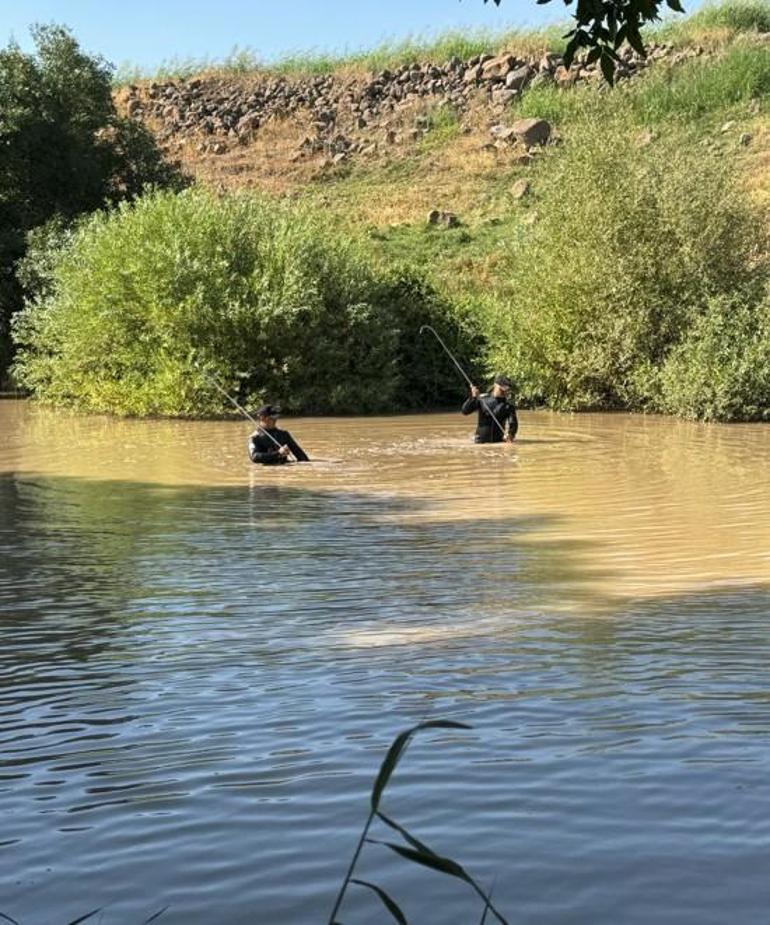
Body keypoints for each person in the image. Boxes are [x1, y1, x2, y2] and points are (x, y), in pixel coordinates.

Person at [461, 374, 518, 443]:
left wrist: (510, 434)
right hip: (480, 442)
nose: (504, 392)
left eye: (506, 390)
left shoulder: (508, 406)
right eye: (501, 389)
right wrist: (473, 398)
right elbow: (465, 411)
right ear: (495, 385)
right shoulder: (482, 399)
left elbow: (513, 424)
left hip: (498, 442)